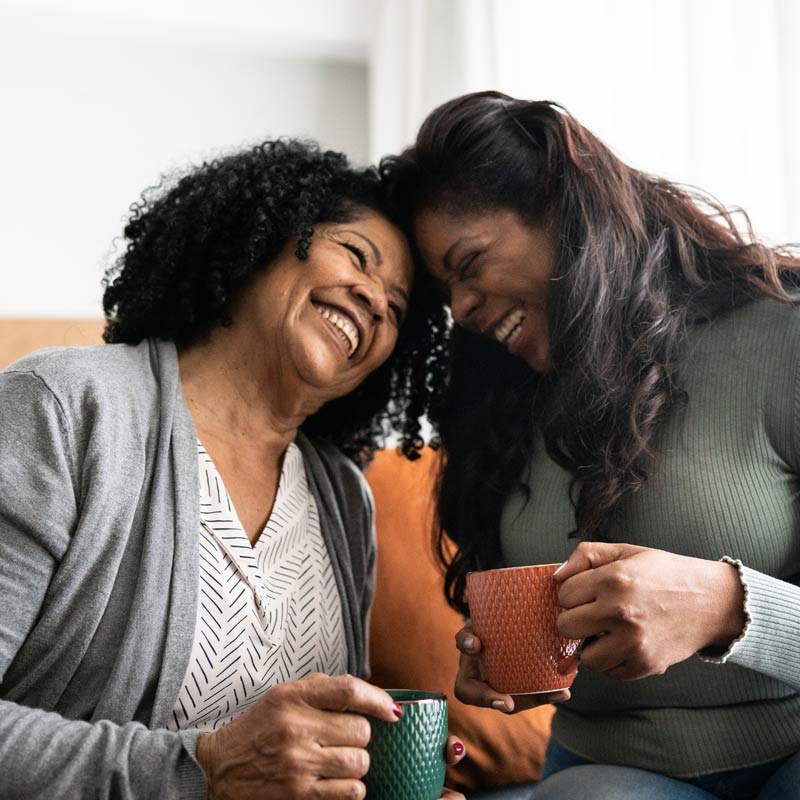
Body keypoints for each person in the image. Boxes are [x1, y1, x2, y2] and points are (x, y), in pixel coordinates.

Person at [0, 139, 465, 799]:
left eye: (394, 309)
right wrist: (204, 769)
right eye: (355, 256)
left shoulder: (342, 499)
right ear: (261, 238)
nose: (371, 300)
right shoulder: (65, 408)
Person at [380, 91, 800, 799]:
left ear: (558, 197)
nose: (460, 310)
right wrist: (507, 667)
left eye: (470, 261)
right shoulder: (498, 406)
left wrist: (729, 606)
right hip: (612, 772)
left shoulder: (777, 336)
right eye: (444, 290)